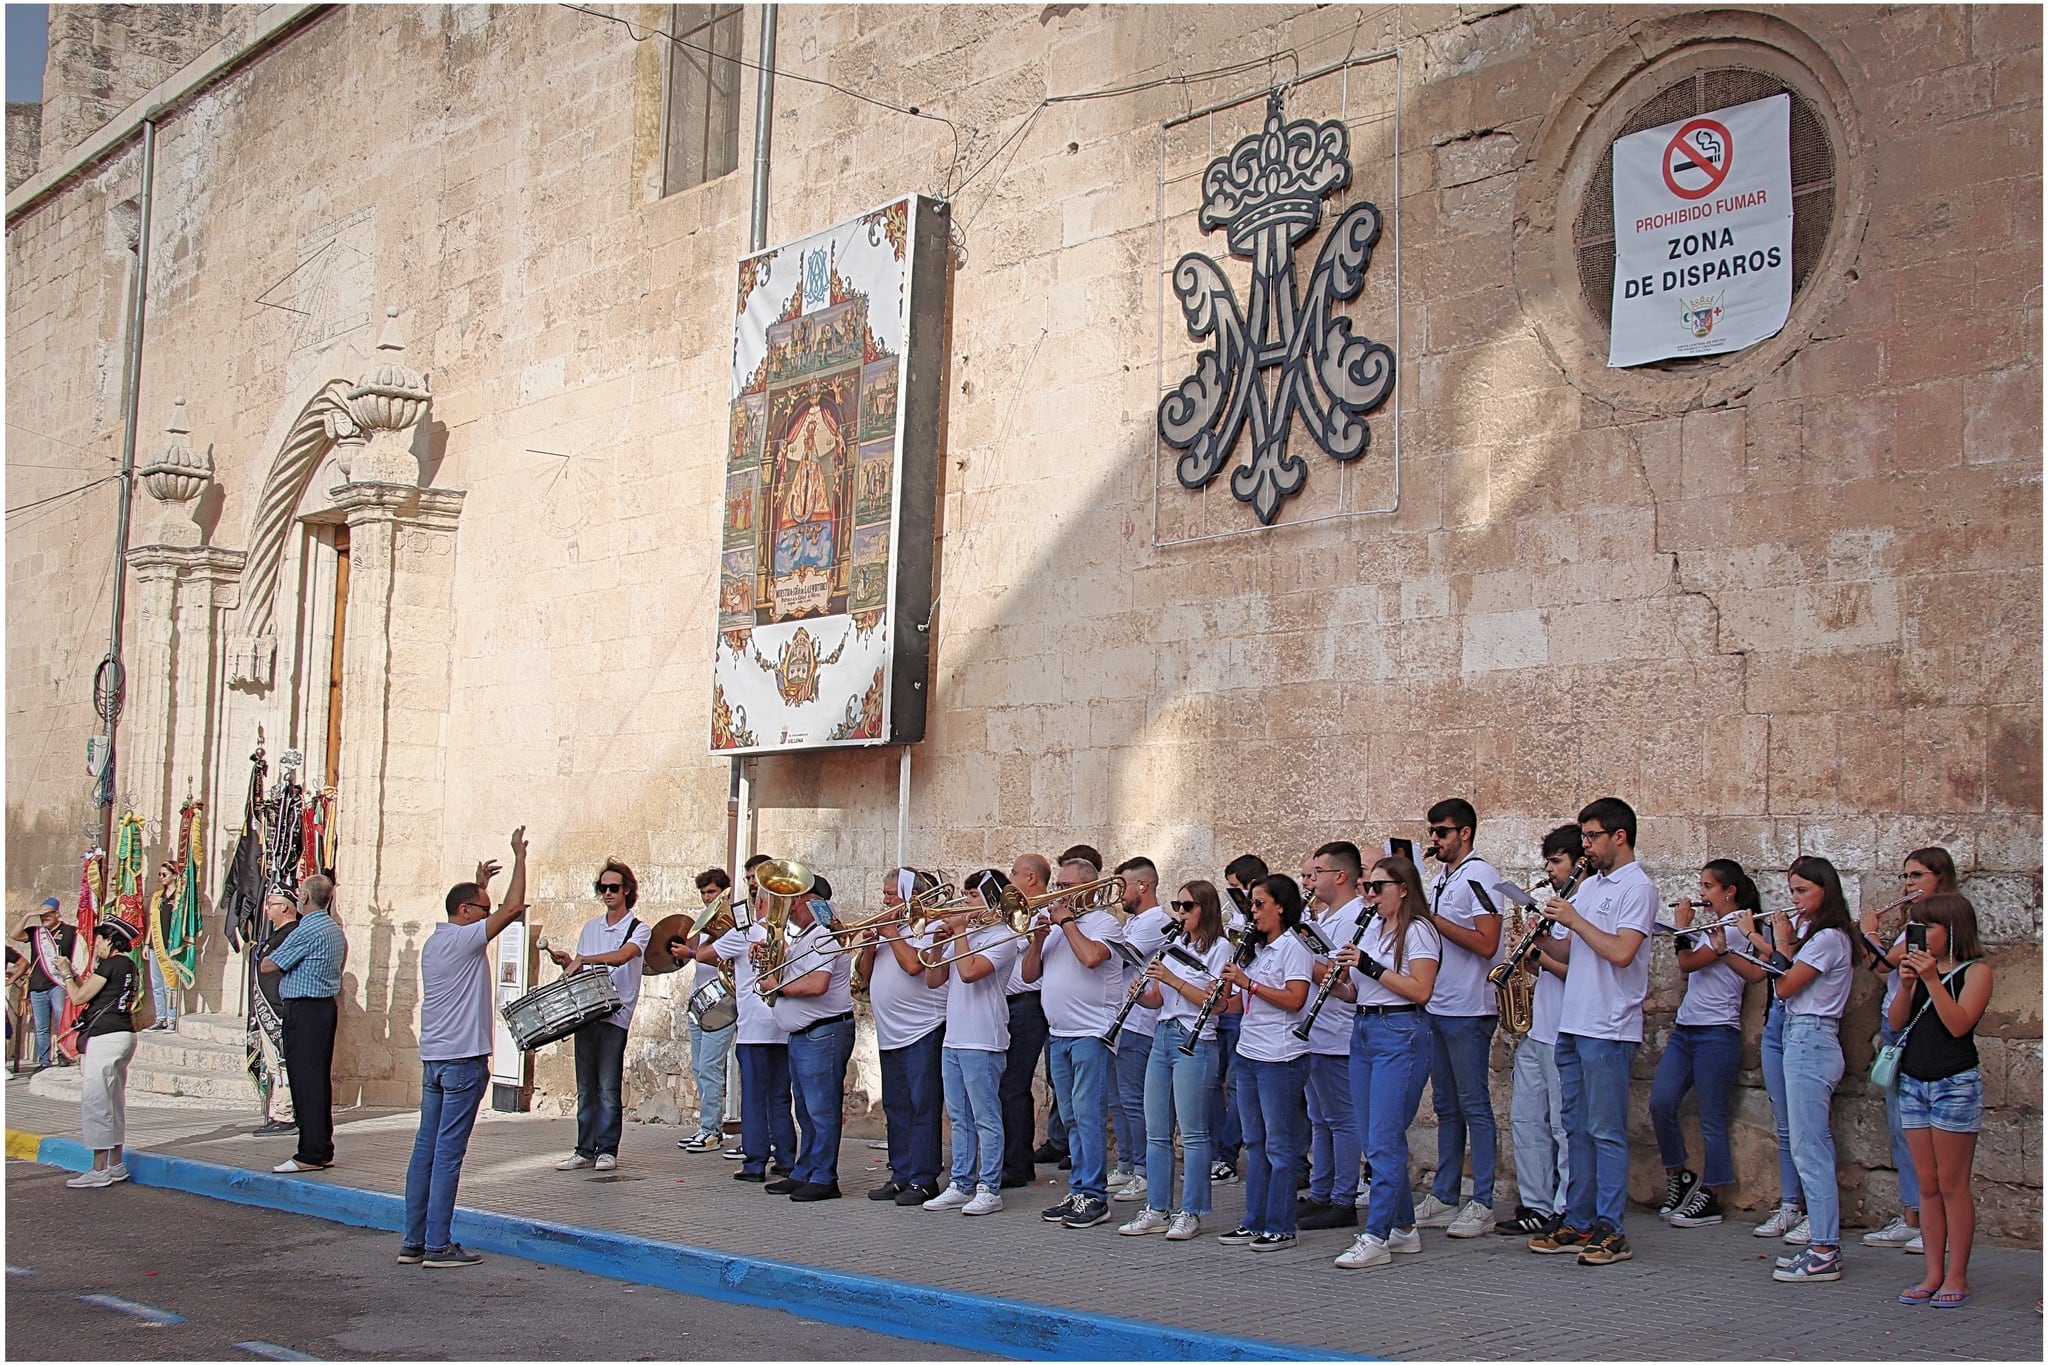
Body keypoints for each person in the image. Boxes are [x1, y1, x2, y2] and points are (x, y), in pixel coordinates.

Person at [1528, 797, 1655, 1266]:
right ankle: (1578, 1220)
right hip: (1575, 1021)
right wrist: (1542, 936)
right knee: (1574, 1126)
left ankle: (1611, 1227)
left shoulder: (1637, 888)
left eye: (1592, 836)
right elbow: (1574, 949)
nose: (1585, 846)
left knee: (1605, 1130)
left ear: (1618, 837)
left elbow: (1622, 952)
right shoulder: (1592, 885)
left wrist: (1575, 920)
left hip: (1609, 1024)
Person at [400, 827, 529, 1268]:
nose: (488, 916)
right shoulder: (462, 939)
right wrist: (519, 858)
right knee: (448, 1154)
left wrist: (480, 884)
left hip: (435, 1058)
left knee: (425, 1150)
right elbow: (513, 909)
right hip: (462, 1061)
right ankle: (438, 1245)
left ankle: (413, 1240)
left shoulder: (437, 942)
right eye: (482, 910)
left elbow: (485, 906)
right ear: (465, 911)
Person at [1330, 855, 1441, 1268]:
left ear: (1404, 889)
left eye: (1378, 887)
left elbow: (1421, 989)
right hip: (1365, 1028)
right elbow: (1363, 991)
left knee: (1383, 1135)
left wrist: (1369, 966)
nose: (1370, 895)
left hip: (1401, 1032)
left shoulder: (1420, 930)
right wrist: (1340, 985)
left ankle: (1376, 1235)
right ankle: (1403, 1228)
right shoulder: (1373, 929)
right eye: (1367, 888)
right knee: (1373, 1133)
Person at [1650, 859, 1769, 1229]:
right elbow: (1689, 960)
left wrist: (1682, 928)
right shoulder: (1714, 926)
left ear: (1728, 891)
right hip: (1688, 1028)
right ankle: (1679, 1175)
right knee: (1661, 1102)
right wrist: (1686, 932)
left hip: (1717, 1032)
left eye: (1707, 887)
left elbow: (1689, 963)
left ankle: (1713, 1194)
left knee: (1712, 1118)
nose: (1701, 894)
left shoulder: (1735, 928)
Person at [1890, 891, 1992, 1308]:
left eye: (1927, 927)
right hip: (1914, 1081)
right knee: (1927, 1184)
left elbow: (1959, 1025)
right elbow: (1897, 1022)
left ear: (1951, 930)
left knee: (1952, 1183)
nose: (1920, 935)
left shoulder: (1976, 971)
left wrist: (1932, 980)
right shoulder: (1915, 971)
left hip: (1954, 1083)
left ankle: (1957, 1274)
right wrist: (1907, 984)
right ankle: (1932, 1271)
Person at [1861, 846, 1959, 1255]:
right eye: (1906, 877)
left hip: (1922, 1027)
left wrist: (1868, 932)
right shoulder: (1914, 921)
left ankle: (1931, 1222)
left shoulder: (1940, 921)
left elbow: (1883, 964)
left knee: (1921, 1128)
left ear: (1940, 878)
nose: (1908, 884)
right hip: (1895, 1020)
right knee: (1902, 1126)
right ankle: (1913, 1214)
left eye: (1917, 876)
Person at [1121, 880, 1231, 1241]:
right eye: (1177, 906)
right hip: (1164, 1034)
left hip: (1196, 1040)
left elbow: (1217, 1003)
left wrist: (1172, 980)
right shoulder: (1173, 946)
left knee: (1194, 1133)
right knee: (1156, 1130)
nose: (1181, 913)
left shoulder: (1220, 948)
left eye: (1188, 907)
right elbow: (1158, 1000)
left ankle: (1192, 1210)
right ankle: (1157, 1207)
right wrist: (1140, 994)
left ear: (1205, 909)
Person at [1415, 800, 1505, 1239]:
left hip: (1470, 1006)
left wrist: (1432, 918)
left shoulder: (1481, 876)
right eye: (1432, 831)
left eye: (1443, 832)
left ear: (1465, 833)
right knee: (1447, 1106)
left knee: (1474, 1105)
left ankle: (1483, 1199)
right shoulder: (1441, 878)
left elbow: (1488, 943)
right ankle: (1446, 1193)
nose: (1435, 839)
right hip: (1440, 1003)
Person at [1768, 854, 1859, 1283]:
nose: (1795, 900)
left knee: (1810, 1148)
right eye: (1792, 892)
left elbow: (1785, 985)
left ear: (1826, 890)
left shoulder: (1829, 938)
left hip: (1812, 1037)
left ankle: (1825, 1247)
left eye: (1803, 891)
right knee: (1805, 1143)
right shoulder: (1815, 935)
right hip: (1800, 1036)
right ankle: (1819, 1242)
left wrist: (1781, 942)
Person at [1026, 855, 1124, 1229]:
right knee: (1070, 1118)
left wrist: (1065, 921)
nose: (1058, 896)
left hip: (1090, 1034)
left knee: (1088, 1116)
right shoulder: (1055, 928)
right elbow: (1029, 973)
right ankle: (1080, 1189)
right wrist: (1037, 941)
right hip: (1059, 1034)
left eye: (1066, 888)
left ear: (1089, 888)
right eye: (1058, 889)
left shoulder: (1103, 923)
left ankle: (1095, 1197)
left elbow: (1091, 958)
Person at [923, 870, 1027, 1216]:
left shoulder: (1003, 937)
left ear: (990, 900)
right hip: (954, 1036)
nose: (963, 903)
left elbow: (969, 972)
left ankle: (989, 1187)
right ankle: (961, 1182)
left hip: (984, 1037)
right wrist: (937, 945)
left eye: (971, 896)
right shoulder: (962, 936)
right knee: (958, 1116)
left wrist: (960, 932)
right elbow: (934, 978)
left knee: (985, 1116)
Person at [1218, 874, 1312, 1252]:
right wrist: (1225, 991)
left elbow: (1295, 999)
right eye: (1251, 905)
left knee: (1280, 1144)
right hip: (1250, 1052)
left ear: (1281, 907)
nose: (1252, 912)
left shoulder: (1295, 948)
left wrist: (1248, 983)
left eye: (1259, 904)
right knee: (1253, 1142)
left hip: (1280, 1056)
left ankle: (1281, 1224)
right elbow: (1242, 1003)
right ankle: (1253, 1219)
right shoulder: (1257, 949)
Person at [1496, 824, 1579, 1237]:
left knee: (1563, 1124)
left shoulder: (1583, 909)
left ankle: (1566, 1207)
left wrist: (1541, 958)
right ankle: (1535, 1203)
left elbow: (1583, 970)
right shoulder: (1555, 907)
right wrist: (1529, 958)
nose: (1549, 869)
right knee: (1526, 1119)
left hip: (1567, 1027)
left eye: (1555, 861)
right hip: (1540, 1025)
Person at [549, 861, 652, 1172]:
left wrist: (585, 959)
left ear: (627, 891)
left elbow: (623, 957)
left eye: (613, 888)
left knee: (607, 1086)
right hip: (588, 1013)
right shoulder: (591, 928)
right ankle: (584, 1148)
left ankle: (607, 1148)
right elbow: (582, 970)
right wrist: (569, 961)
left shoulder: (639, 929)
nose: (607, 893)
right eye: (602, 888)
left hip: (615, 1015)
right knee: (586, 1086)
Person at [701, 856, 796, 1183]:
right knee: (781, 1099)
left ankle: (755, 1163)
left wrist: (721, 936)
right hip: (784, 1027)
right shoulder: (793, 937)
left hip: (754, 1030)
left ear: (759, 903)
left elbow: (704, 955)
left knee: (754, 1099)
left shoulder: (744, 933)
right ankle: (785, 1160)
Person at [761, 874, 856, 1201]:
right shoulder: (804, 937)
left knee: (822, 1110)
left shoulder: (825, 937)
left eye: (794, 898)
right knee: (806, 1108)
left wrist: (776, 986)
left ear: (809, 900)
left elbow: (817, 985)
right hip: (805, 1034)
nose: (788, 905)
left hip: (823, 1032)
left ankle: (825, 1177)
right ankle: (805, 1170)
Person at [859, 868, 947, 1204]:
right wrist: (869, 947)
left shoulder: (931, 927)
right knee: (896, 1106)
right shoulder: (890, 930)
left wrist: (889, 932)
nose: (885, 900)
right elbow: (863, 979)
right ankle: (901, 1173)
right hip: (890, 1032)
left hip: (924, 1028)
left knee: (922, 1106)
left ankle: (924, 1178)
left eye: (892, 894)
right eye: (884, 893)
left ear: (912, 896)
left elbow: (915, 966)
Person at [1299, 841, 1365, 1232]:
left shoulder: (1355, 917)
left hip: (1338, 1029)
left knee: (1341, 1118)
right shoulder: (1325, 917)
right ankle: (1321, 1192)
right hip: (1317, 1031)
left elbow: (1343, 976)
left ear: (1340, 876)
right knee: (1319, 1118)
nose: (1312, 880)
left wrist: (1300, 958)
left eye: (1318, 873)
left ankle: (1343, 1197)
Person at [262, 874, 346, 1174]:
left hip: (305, 1008)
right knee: (318, 1079)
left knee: (305, 1080)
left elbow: (269, 965)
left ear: (305, 898)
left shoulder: (307, 929)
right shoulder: (335, 930)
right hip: (324, 1007)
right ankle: (321, 1146)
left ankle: (310, 1152)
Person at [55, 916, 145, 1187]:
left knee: (97, 1101)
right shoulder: (129, 965)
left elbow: (79, 996)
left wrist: (66, 973)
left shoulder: (110, 964)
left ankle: (99, 1169)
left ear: (110, 940)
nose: (97, 946)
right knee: (114, 1100)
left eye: (99, 940)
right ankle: (116, 1164)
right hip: (124, 1034)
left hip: (105, 1037)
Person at [1107, 856, 1164, 1205]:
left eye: (1122, 886)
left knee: (1133, 1101)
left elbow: (1119, 958)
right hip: (1121, 1019)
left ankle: (1143, 1169)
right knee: (1118, 1100)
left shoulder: (1155, 922)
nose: (1118, 895)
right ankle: (1127, 1163)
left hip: (1140, 1022)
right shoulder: (1132, 922)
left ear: (1142, 886)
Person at [998, 853, 1052, 1189]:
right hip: (1009, 1004)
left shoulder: (1042, 913)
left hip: (1029, 1005)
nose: (1010, 877)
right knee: (1008, 1086)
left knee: (1013, 1086)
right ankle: (1014, 1159)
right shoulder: (1017, 911)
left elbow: (1021, 948)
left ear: (1031, 878)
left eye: (1014, 872)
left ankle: (1017, 1164)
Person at [1211, 853, 1265, 1183]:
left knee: (1238, 1084)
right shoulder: (1238, 917)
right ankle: (1220, 1150)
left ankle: (1227, 1154)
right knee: (1218, 1083)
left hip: (1254, 1012)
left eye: (1236, 887)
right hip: (1234, 1005)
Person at [677, 867, 736, 1154]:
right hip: (699, 1002)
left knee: (711, 1067)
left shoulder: (733, 927)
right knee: (699, 1067)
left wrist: (691, 953)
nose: (706, 898)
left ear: (723, 892)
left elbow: (728, 962)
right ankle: (708, 1126)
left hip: (721, 1004)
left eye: (711, 892)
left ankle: (711, 1129)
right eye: (703, 893)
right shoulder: (703, 931)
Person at [251, 891, 301, 1136]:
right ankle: (277, 1112)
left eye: (270, 905)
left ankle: (285, 1115)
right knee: (274, 1066)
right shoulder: (277, 935)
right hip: (267, 1008)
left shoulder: (292, 933)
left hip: (279, 1009)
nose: (267, 910)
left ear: (285, 907)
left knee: (281, 1065)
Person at [14, 898, 76, 1069]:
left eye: (48, 914)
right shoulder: (36, 932)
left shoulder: (70, 931)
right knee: (41, 1027)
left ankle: (63, 1054)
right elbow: (14, 935)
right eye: (42, 915)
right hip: (37, 986)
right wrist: (27, 915)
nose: (44, 917)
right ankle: (44, 1061)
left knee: (61, 1021)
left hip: (57, 983)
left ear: (57, 913)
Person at [145, 862, 181, 1030]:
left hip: (170, 945)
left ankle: (172, 1017)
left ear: (174, 875)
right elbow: (152, 922)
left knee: (170, 984)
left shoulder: (180, 896)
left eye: (164, 874)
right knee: (157, 983)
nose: (160, 878)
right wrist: (146, 943)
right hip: (155, 944)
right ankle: (161, 1017)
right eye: (159, 874)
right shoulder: (157, 897)